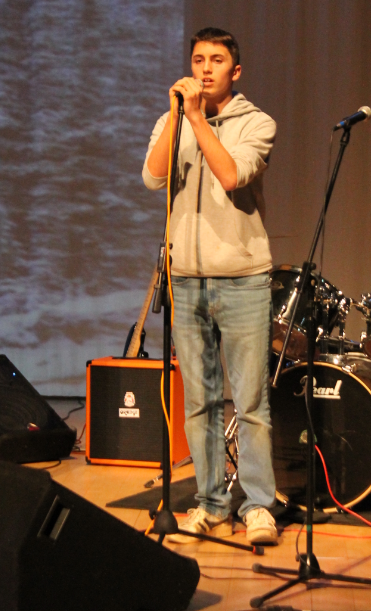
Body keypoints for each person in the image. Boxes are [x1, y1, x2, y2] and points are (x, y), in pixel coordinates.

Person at [142, 27, 277, 545]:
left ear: (234, 71)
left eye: (215, 60)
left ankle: (259, 505)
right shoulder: (173, 119)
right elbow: (153, 178)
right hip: (186, 278)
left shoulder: (255, 123)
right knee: (199, 401)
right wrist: (178, 117)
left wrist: (197, 118)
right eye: (197, 58)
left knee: (250, 402)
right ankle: (212, 501)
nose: (203, 69)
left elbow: (232, 176)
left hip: (242, 278)